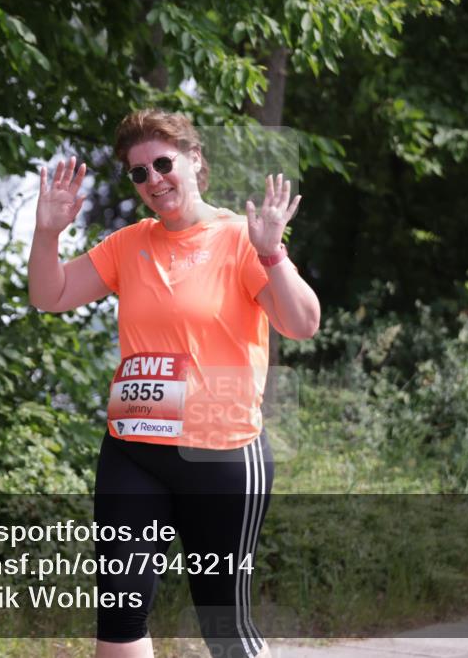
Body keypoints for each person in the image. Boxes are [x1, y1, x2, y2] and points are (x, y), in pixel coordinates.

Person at [28, 109, 319, 658]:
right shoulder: (129, 244)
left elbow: (302, 324)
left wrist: (272, 253)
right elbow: (51, 295)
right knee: (118, 613)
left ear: (195, 161)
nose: (154, 180)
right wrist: (47, 232)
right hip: (134, 450)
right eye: (139, 173)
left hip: (221, 453)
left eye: (163, 164)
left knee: (222, 622)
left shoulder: (241, 238)